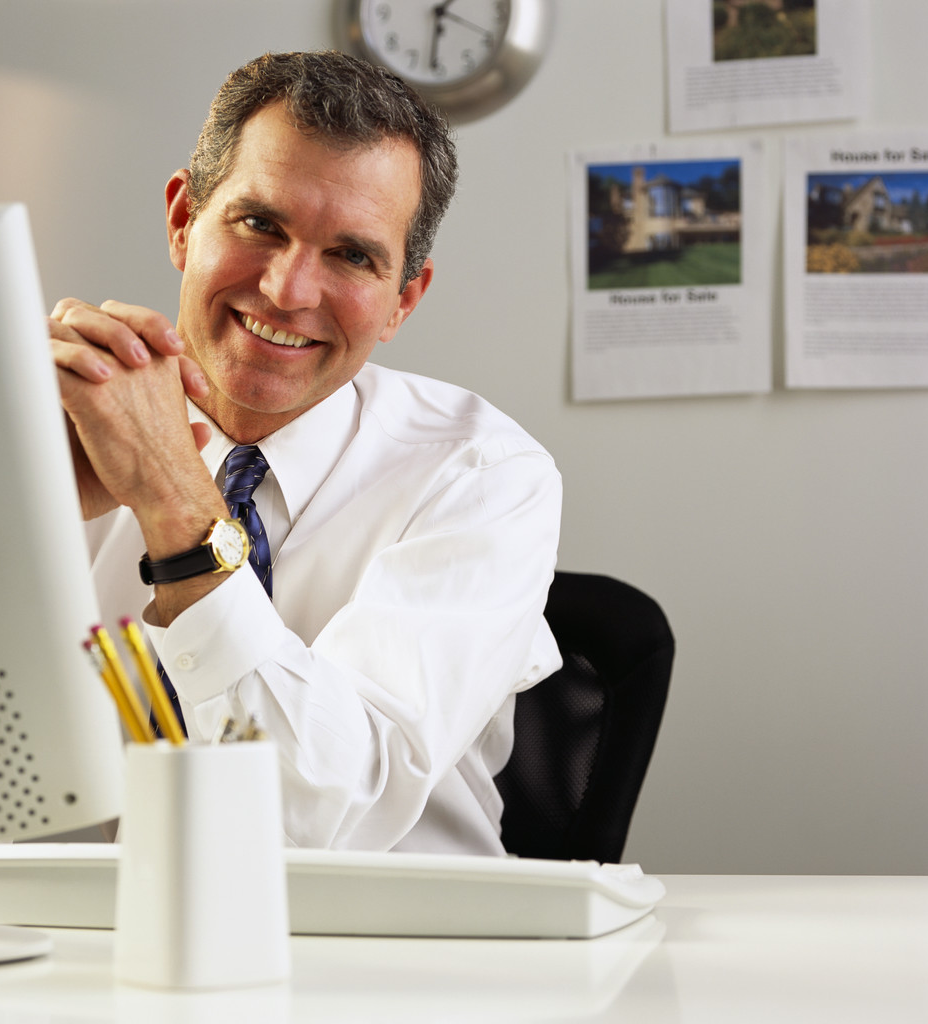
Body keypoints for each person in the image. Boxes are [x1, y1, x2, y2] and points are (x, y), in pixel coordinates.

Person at [50, 51, 562, 855]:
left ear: (403, 299)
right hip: (80, 942)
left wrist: (175, 503)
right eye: (261, 224)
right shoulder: (57, 430)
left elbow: (308, 818)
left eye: (353, 256)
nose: (289, 291)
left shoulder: (482, 475)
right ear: (185, 219)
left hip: (397, 953)